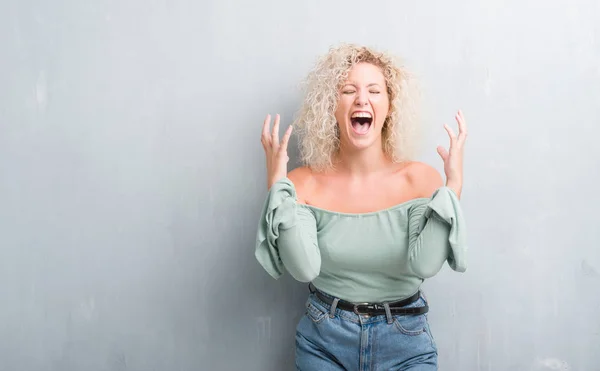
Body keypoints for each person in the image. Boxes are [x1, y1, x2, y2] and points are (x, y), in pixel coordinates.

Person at [255, 43, 468, 370]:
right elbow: (304, 269)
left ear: (389, 107)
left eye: (374, 90)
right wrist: (277, 187)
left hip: (405, 341)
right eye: (348, 90)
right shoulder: (303, 183)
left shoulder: (420, 181)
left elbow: (425, 265)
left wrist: (452, 187)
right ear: (331, 106)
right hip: (323, 341)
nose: (362, 99)